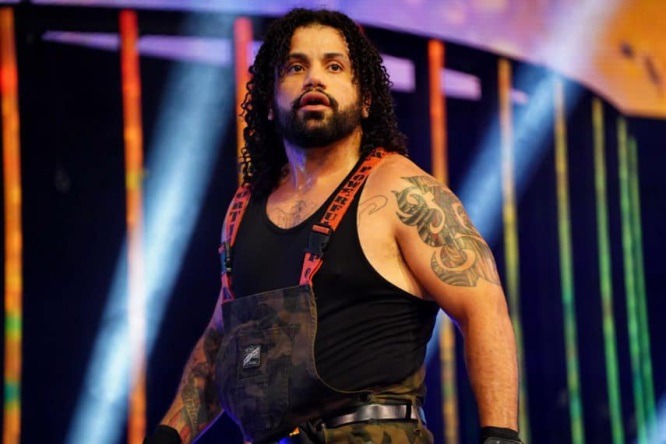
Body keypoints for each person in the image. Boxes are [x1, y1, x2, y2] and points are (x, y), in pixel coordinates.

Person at [145, 8, 521, 444]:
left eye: (334, 66)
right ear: (269, 102)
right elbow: (222, 339)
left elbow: (483, 307)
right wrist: (168, 435)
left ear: (366, 99)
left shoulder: (401, 189)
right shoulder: (243, 207)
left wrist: (501, 436)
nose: (314, 79)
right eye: (296, 67)